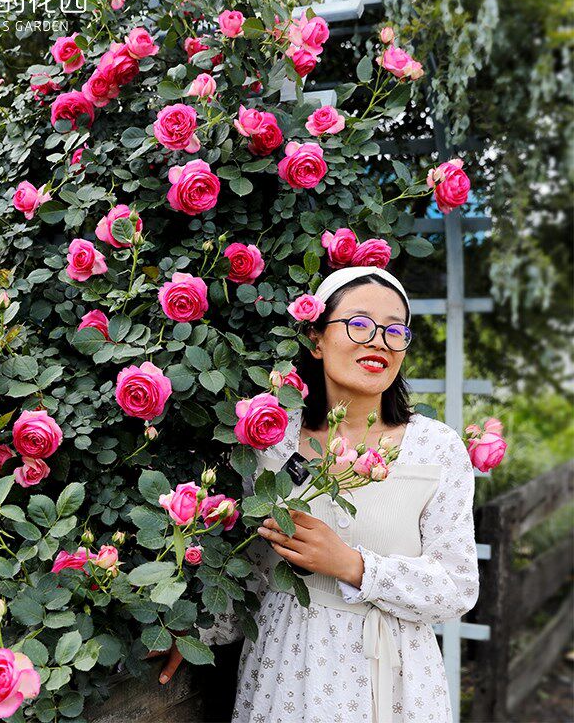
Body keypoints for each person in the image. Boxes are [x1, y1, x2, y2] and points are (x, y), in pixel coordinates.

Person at [149, 266, 480, 723]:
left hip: (397, 675)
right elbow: (253, 571)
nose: (379, 341)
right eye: (359, 323)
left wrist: (354, 566)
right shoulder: (272, 440)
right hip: (289, 666)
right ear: (316, 339)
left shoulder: (435, 447)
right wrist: (196, 635)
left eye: (394, 330)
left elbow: (457, 587)